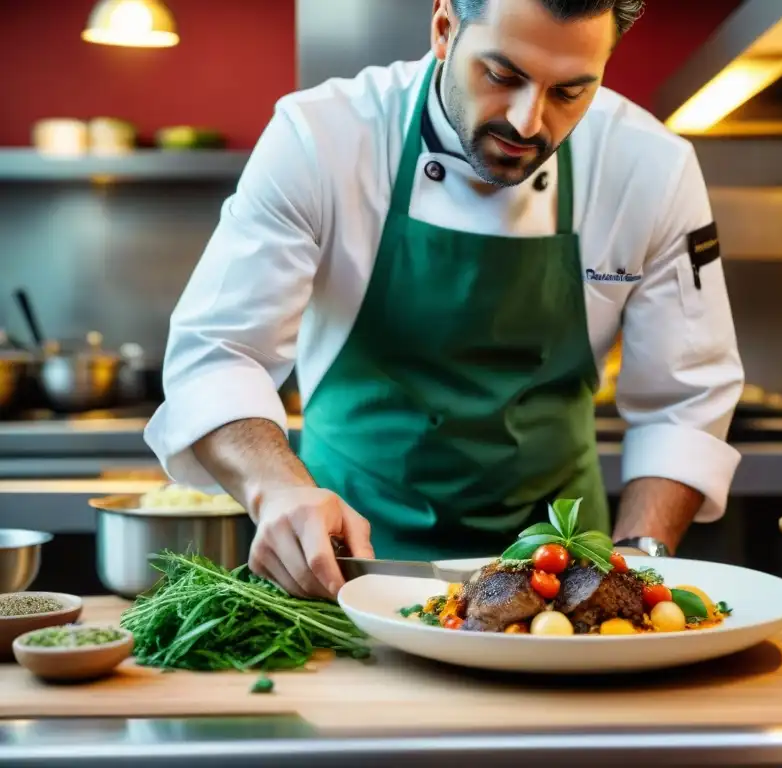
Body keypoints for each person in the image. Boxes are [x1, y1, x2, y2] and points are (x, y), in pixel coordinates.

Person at [144, 0, 745, 600]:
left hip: (562, 587)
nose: (528, 121)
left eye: (569, 92)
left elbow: (684, 401)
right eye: (502, 76)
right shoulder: (322, 138)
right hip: (348, 575)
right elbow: (219, 352)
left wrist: (633, 568)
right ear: (442, 29)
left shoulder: (651, 167)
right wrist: (278, 490)